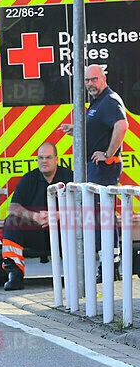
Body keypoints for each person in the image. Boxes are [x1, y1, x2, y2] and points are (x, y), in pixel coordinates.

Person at [59, 64, 128, 279]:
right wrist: (77, 130)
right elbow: (98, 129)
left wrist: (108, 153)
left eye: (94, 79)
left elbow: (121, 125)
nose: (90, 84)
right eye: (87, 80)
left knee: (102, 217)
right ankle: (107, 264)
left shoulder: (109, 100)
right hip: (96, 169)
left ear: (103, 79)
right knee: (98, 218)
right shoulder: (98, 102)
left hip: (104, 168)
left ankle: (110, 266)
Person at [1, 142, 73, 291]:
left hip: (63, 234)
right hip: (35, 233)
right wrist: (34, 216)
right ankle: (14, 275)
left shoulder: (70, 177)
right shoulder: (30, 178)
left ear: (56, 159)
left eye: (48, 157)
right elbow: (13, 207)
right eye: (40, 158)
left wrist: (59, 215)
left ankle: (78, 275)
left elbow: (85, 205)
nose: (44, 161)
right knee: (11, 221)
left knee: (83, 221)